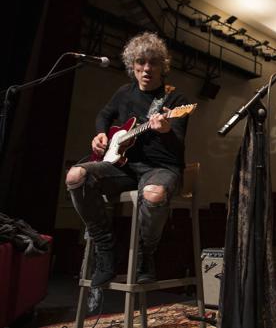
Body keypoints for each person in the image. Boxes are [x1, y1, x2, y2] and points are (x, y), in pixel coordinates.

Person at [65, 32, 189, 287]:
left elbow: (178, 144)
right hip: (123, 167)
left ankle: (146, 255)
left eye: (153, 63)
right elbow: (104, 115)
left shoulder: (176, 101)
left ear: (162, 66)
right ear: (132, 65)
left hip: (161, 168)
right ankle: (106, 250)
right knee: (76, 176)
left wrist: (165, 130)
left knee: (154, 194)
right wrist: (100, 134)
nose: (146, 69)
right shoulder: (124, 92)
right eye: (140, 63)